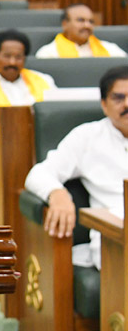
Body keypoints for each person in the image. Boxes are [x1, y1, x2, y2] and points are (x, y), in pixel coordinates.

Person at [25, 66, 128, 270]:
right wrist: (58, 194)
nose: (127, 104)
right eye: (119, 98)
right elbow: (38, 173)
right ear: (104, 104)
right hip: (115, 236)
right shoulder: (87, 137)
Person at [35, 4, 127, 58]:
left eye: (91, 21)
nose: (87, 25)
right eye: (80, 20)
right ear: (65, 24)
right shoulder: (48, 54)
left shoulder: (111, 49)